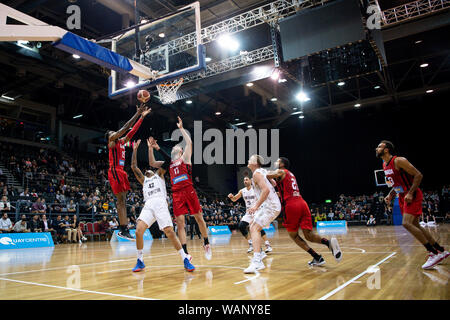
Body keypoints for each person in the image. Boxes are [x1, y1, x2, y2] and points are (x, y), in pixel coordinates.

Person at [376, 140, 448, 269]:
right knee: (415, 225)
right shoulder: (384, 164)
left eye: (379, 146)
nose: (376, 148)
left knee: (406, 224)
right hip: (402, 196)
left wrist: (410, 193)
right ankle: (440, 250)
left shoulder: (399, 161)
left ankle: (432, 252)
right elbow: (396, 183)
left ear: (386, 149)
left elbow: (418, 175)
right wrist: (391, 194)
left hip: (412, 195)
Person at [147, 117, 211, 262]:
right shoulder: (168, 164)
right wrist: (151, 148)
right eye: (174, 147)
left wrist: (181, 129)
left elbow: (189, 142)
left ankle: (206, 242)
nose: (175, 147)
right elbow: (151, 162)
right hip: (176, 194)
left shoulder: (185, 158)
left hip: (188, 190)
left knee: (199, 218)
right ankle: (186, 253)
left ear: (181, 151)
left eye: (177, 147)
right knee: (180, 223)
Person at [130, 139, 195, 272]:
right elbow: (133, 167)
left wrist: (152, 149)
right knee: (138, 231)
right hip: (148, 205)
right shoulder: (143, 180)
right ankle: (140, 260)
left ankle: (184, 258)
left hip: (160, 203)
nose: (148, 170)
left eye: (150, 170)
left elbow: (168, 162)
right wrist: (135, 150)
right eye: (146, 170)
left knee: (169, 232)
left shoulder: (159, 174)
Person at [267, 157, 342, 267]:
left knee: (294, 236)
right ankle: (328, 243)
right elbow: (283, 190)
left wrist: (261, 172)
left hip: (292, 205)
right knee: (309, 235)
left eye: (277, 161)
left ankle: (317, 257)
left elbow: (268, 175)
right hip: (302, 203)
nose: (275, 162)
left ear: (282, 164)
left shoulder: (281, 171)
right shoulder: (290, 174)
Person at [105, 103, 151, 240]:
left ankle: (124, 228)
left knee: (123, 201)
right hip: (115, 171)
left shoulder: (122, 142)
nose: (115, 133)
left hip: (121, 172)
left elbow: (131, 132)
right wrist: (137, 114)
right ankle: (122, 228)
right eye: (112, 133)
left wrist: (141, 118)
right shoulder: (112, 142)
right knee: (120, 201)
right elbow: (125, 128)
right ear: (109, 137)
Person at [241, 155, 282, 274]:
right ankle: (259, 254)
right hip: (271, 205)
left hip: (270, 206)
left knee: (254, 228)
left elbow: (267, 190)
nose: (249, 159)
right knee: (253, 226)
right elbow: (273, 184)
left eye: (251, 159)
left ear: (255, 163)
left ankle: (257, 261)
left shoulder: (256, 174)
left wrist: (255, 206)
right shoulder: (262, 171)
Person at [228, 176, 273, 254]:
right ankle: (251, 244)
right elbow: (235, 199)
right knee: (241, 226)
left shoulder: (256, 189)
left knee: (256, 227)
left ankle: (267, 245)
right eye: (244, 180)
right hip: (249, 212)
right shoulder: (242, 191)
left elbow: (264, 195)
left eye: (246, 179)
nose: (245, 181)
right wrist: (231, 197)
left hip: (257, 211)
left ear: (250, 181)